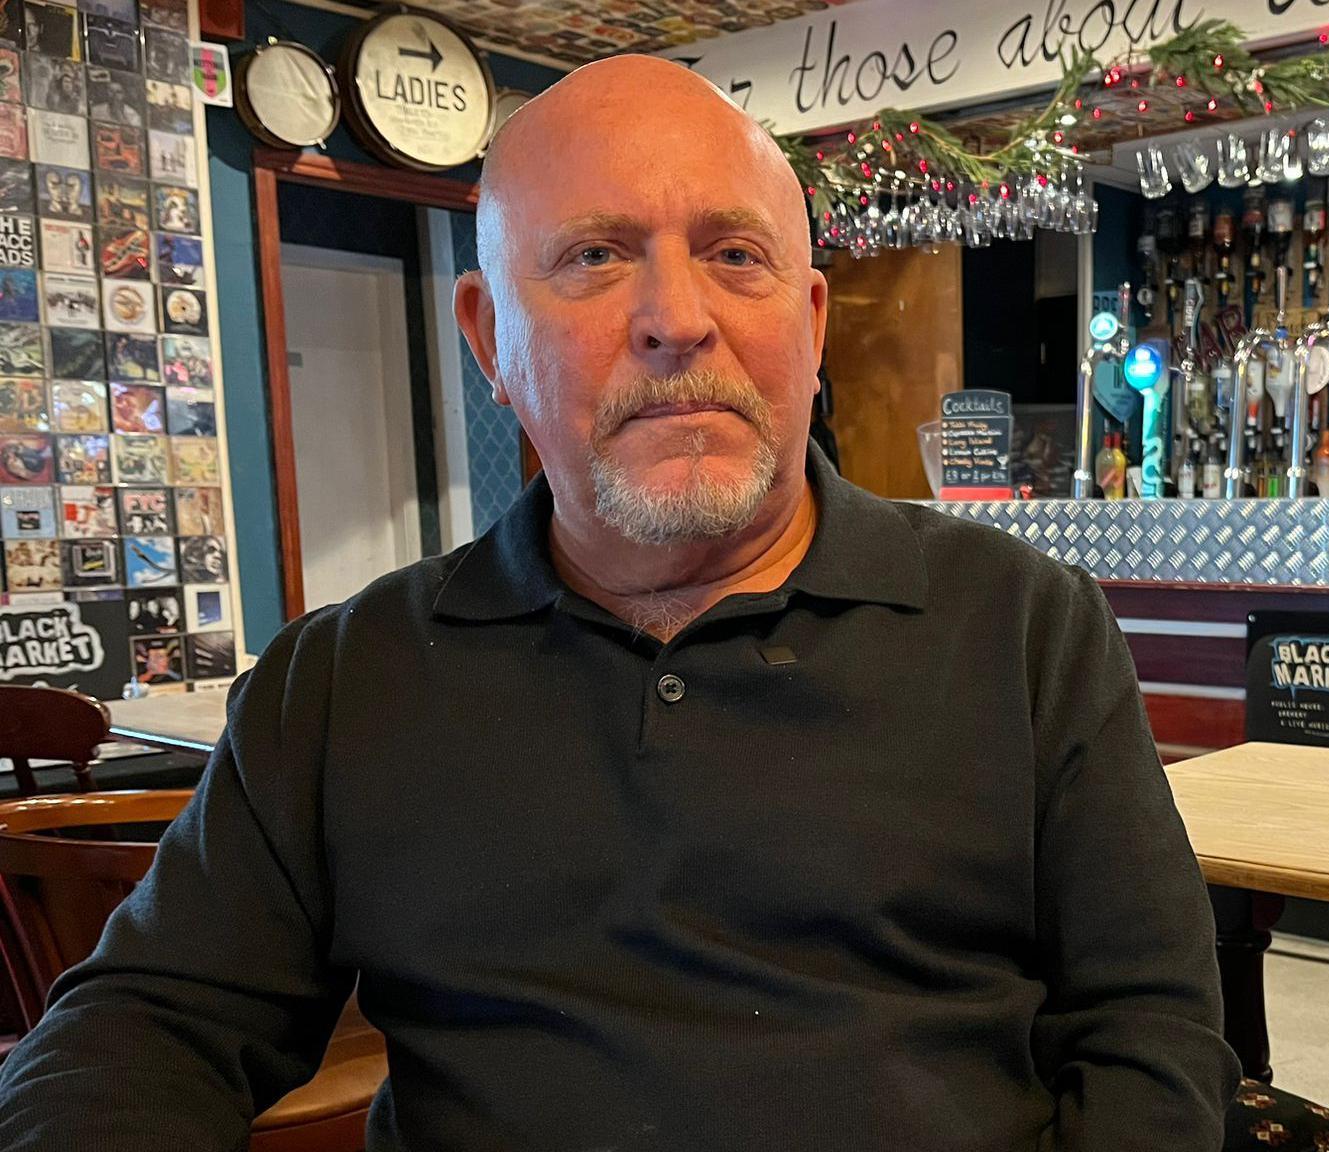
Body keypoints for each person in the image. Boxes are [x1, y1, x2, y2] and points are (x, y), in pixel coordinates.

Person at [0, 55, 1236, 1150]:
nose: (675, 320)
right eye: (594, 257)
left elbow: (1149, 1041)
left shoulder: (1023, 627)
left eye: (733, 254)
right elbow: (148, 1023)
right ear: (488, 339)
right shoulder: (343, 679)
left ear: (805, 328)